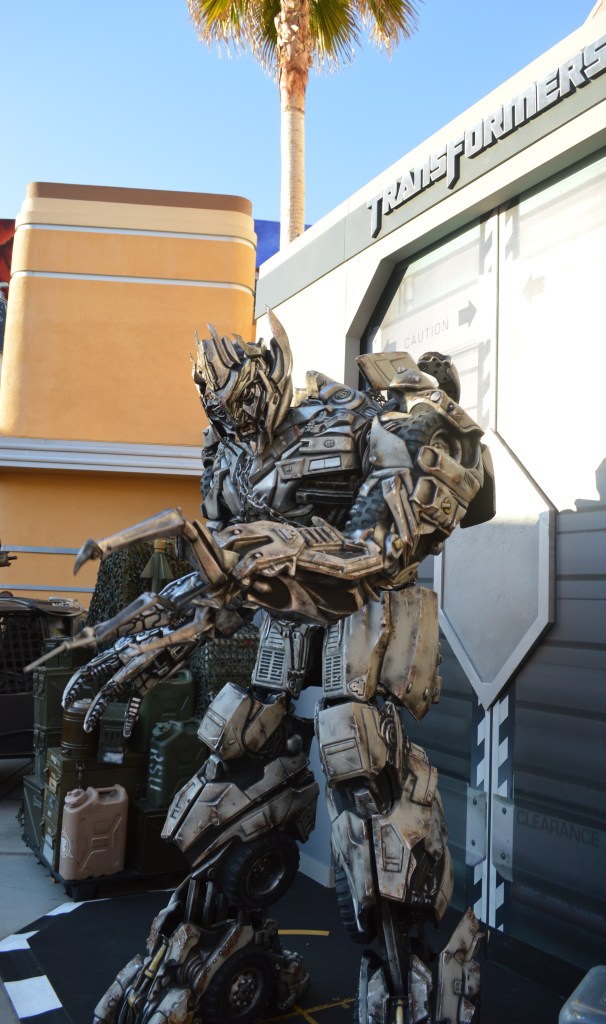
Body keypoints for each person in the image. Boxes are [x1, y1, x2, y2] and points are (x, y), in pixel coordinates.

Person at [45, 313, 494, 1024]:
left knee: (363, 773)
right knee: (233, 765)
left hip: (366, 619)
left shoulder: (351, 417)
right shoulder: (226, 456)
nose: (237, 420)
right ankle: (202, 948)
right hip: (285, 630)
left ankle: (408, 985)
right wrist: (171, 620)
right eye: (221, 410)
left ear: (269, 374)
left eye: (243, 401)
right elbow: (224, 572)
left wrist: (282, 549)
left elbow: (386, 547)